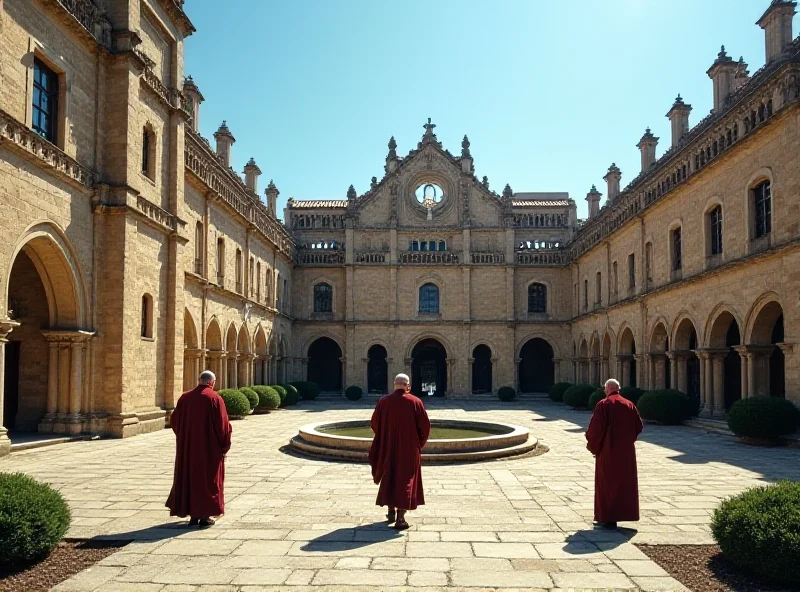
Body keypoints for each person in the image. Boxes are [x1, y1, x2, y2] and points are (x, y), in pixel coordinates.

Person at [166, 370, 232, 527]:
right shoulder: (215, 398)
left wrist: (184, 438)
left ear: (199, 380)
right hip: (209, 450)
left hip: (187, 449)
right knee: (207, 480)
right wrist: (224, 446)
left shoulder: (185, 397)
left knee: (190, 478)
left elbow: (174, 421)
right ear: (212, 382)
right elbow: (223, 426)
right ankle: (204, 516)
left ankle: (193, 515)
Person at [368, 373, 431, 530]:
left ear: (394, 385)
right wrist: (418, 444)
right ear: (407, 385)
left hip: (388, 445)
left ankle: (390, 511)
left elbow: (374, 423)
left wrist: (384, 437)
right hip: (409, 448)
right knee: (405, 479)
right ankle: (400, 518)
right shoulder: (416, 402)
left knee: (389, 475)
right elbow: (425, 426)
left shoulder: (384, 402)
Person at [585, 378, 643, 529]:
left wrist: (594, 446)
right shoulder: (629, 404)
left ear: (608, 389)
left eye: (605, 389)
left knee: (607, 482)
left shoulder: (603, 404)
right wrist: (627, 441)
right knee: (624, 482)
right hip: (626, 452)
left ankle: (608, 517)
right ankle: (624, 513)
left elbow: (595, 430)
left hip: (607, 451)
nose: (604, 391)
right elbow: (638, 426)